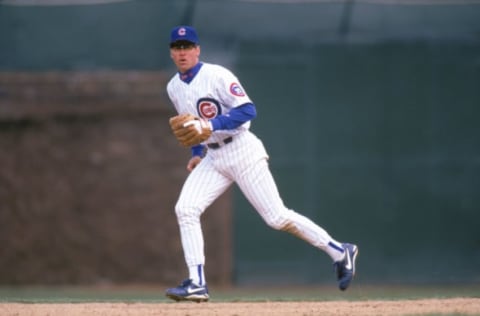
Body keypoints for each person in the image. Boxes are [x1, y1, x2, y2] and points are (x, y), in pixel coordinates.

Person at [164, 25, 358, 303]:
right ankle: (197, 283)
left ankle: (340, 251)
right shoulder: (173, 87)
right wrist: (197, 152)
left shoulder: (217, 75)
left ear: (197, 50)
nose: (182, 52)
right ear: (171, 53)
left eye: (187, 46)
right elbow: (190, 124)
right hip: (213, 157)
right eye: (177, 47)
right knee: (185, 209)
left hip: (242, 150)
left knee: (277, 217)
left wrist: (211, 124)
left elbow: (247, 110)